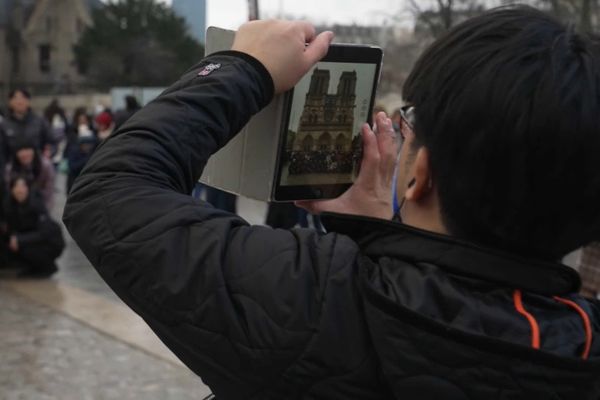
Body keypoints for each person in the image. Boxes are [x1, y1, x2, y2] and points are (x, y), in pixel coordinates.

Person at [63, 7, 600, 399]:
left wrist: (242, 68)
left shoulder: (318, 299)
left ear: (420, 174)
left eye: (409, 120)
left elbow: (109, 192)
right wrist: (378, 240)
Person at [2, 176, 64, 277]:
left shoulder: (36, 204)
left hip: (50, 242)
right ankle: (31, 267)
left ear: (28, 188)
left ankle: (48, 267)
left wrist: (19, 239)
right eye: (16, 187)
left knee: (27, 249)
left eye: (23, 186)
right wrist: (13, 238)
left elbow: (44, 233)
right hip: (26, 239)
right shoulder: (9, 205)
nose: (19, 190)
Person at [0, 88, 53, 160]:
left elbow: (51, 141)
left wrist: (47, 154)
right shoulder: (4, 125)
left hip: (37, 166)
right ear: (10, 102)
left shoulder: (40, 122)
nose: (19, 101)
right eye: (15, 98)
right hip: (12, 167)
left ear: (28, 101)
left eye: (23, 98)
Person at [5, 139, 55, 211]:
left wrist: (44, 212)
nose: (24, 153)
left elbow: (49, 191)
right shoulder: (10, 168)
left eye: (28, 149)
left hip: (39, 206)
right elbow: (8, 192)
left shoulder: (46, 166)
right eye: (21, 150)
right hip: (16, 209)